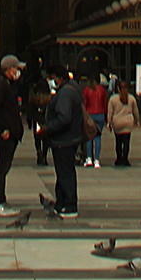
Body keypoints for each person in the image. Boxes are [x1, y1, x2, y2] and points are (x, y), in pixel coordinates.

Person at [39, 62, 86, 215]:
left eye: (52, 78)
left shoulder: (65, 93)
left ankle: (70, 204)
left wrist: (47, 128)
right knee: (64, 172)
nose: (50, 82)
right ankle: (62, 202)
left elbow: (64, 118)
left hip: (64, 140)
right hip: (69, 138)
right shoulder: (73, 89)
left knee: (65, 173)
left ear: (59, 78)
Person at [0, 54, 27, 214]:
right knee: (2, 167)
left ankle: (1, 201)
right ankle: (0, 203)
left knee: (4, 167)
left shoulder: (4, 83)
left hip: (9, 133)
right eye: (17, 69)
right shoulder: (0, 84)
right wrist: (2, 129)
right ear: (10, 69)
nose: (19, 72)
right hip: (5, 135)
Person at [105, 77, 137, 169]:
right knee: (126, 141)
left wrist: (109, 122)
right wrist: (137, 120)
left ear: (118, 88)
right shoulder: (131, 98)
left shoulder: (113, 99)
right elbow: (135, 111)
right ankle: (125, 159)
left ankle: (119, 158)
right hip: (128, 121)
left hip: (117, 122)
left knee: (118, 142)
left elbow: (110, 112)